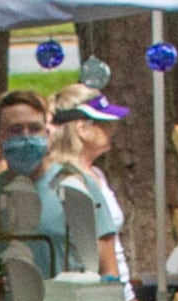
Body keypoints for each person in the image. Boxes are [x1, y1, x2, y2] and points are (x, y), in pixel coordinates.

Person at [47, 89, 131, 279]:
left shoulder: (98, 175)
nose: (112, 129)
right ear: (82, 128)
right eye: (105, 123)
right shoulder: (64, 179)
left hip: (120, 289)